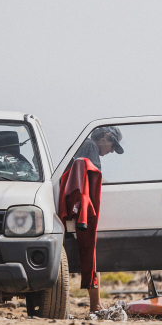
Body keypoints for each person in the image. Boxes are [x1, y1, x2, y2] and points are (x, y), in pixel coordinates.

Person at [69, 126, 123, 313]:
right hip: (83, 210)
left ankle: (96, 305)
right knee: (90, 254)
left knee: (90, 256)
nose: (112, 151)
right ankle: (95, 306)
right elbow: (94, 180)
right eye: (113, 145)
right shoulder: (90, 146)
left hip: (78, 207)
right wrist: (119, 188)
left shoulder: (86, 146)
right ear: (106, 137)